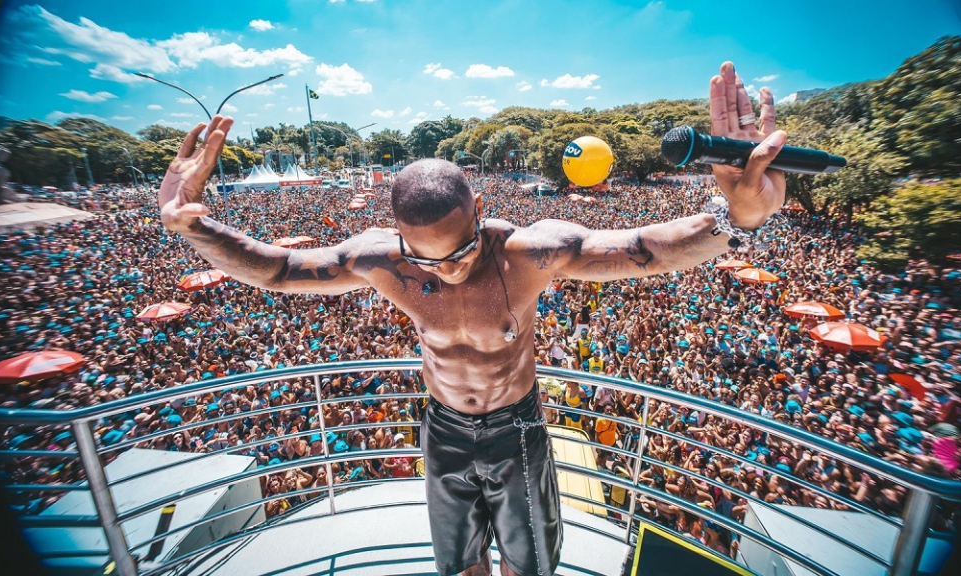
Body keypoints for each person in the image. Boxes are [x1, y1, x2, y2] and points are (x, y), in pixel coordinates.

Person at [157, 61, 786, 576]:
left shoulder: (529, 252)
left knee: (529, 563)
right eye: (424, 258)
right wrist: (194, 225)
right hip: (443, 429)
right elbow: (275, 269)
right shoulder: (379, 259)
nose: (448, 270)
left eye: (460, 251)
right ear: (397, 235)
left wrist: (741, 215)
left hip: (516, 428)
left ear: (480, 211)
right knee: (459, 564)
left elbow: (649, 248)